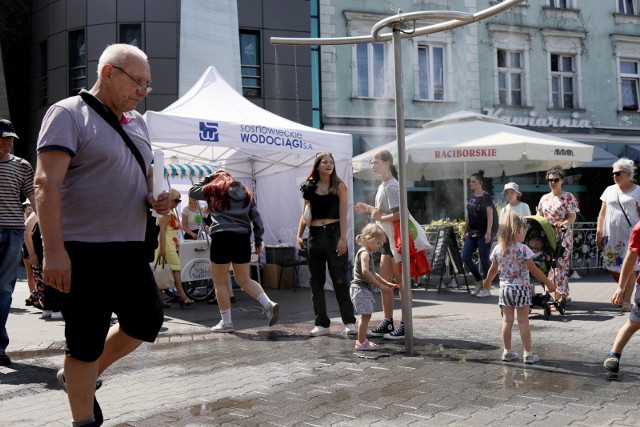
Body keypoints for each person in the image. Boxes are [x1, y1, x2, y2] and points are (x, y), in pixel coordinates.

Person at [35, 44, 170, 426]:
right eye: (137, 82)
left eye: (148, 85)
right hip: (82, 250)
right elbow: (45, 183)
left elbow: (145, 179)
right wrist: (55, 252)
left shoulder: (138, 123)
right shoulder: (67, 114)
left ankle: (82, 376)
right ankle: (83, 419)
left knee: (146, 321)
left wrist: (160, 197)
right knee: (85, 339)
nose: (143, 91)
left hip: (129, 248)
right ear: (108, 72)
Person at [189, 170, 279, 333]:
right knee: (245, 279)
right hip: (242, 238)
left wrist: (209, 178)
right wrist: (258, 239)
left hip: (221, 237)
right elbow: (256, 218)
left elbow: (192, 191)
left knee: (220, 282)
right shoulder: (245, 192)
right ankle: (268, 304)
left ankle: (227, 322)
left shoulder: (214, 189)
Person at [482, 211, 557, 364]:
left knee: (507, 320)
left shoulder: (498, 248)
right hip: (521, 289)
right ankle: (528, 354)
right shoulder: (523, 249)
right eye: (523, 232)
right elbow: (534, 270)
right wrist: (549, 283)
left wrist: (488, 282)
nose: (525, 235)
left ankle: (507, 352)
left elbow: (493, 269)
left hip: (505, 289)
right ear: (516, 231)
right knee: (523, 321)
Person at [297, 152, 356, 337]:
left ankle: (350, 321)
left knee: (340, 280)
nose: (329, 164)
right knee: (316, 281)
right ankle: (321, 323)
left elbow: (343, 213)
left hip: (334, 234)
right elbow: (305, 213)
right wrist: (299, 235)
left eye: (331, 162)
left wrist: (343, 238)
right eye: (325, 162)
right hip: (314, 235)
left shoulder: (339, 185)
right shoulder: (308, 187)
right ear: (318, 165)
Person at [354, 149, 408, 340]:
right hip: (388, 240)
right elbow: (382, 213)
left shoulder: (392, 186)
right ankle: (387, 321)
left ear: (387, 163)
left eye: (375, 162)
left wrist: (380, 216)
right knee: (386, 282)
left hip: (396, 241)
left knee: (401, 285)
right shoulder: (383, 185)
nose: (372, 166)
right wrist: (369, 209)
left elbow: (401, 213)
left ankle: (405, 325)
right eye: (371, 163)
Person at [0, 118, 36, 367]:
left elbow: (34, 195)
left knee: (4, 289)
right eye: (3, 138)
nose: (7, 143)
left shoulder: (22, 166)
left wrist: (46, 223)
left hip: (13, 231)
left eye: (10, 138)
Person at [596, 158, 640, 312]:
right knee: (612, 267)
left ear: (628, 174)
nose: (614, 175)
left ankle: (627, 300)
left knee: (628, 267)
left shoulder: (638, 191)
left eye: (618, 173)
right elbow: (602, 214)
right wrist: (599, 231)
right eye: (613, 173)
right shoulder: (609, 190)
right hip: (610, 236)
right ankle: (622, 290)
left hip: (629, 236)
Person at [350, 223, 396, 351]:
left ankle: (362, 341)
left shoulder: (366, 252)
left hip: (362, 289)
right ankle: (361, 342)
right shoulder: (364, 253)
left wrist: (387, 283)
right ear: (369, 238)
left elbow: (373, 273)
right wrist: (380, 285)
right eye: (378, 243)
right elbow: (365, 272)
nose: (379, 246)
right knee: (365, 316)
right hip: (360, 289)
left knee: (366, 315)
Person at [603, 220, 640, 374]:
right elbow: (630, 259)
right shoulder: (639, 229)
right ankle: (614, 353)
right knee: (634, 323)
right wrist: (620, 287)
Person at [537, 166, 578, 300]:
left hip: (563, 235)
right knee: (547, 265)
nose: (552, 183)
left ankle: (557, 297)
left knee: (560, 265)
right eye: (549, 180)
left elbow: (572, 217)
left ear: (562, 181)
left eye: (555, 180)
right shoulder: (544, 198)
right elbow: (539, 216)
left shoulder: (568, 197)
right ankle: (562, 294)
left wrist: (563, 224)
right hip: (547, 236)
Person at [155, 188, 193, 308]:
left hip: (169, 243)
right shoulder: (166, 213)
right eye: (176, 200)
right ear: (170, 200)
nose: (178, 203)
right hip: (166, 243)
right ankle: (182, 296)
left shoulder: (170, 212)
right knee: (175, 268)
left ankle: (160, 298)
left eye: (179, 201)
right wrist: (162, 248)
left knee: (163, 269)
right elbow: (162, 231)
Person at [23, 211, 63, 319]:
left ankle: (48, 309)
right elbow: (26, 230)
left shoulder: (42, 209)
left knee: (47, 279)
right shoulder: (40, 209)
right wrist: (32, 254)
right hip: (49, 250)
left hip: (45, 250)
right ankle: (56, 310)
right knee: (54, 278)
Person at [463, 170, 496, 298]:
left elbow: (490, 215)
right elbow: (468, 216)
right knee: (465, 256)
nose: (471, 184)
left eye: (473, 182)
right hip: (472, 232)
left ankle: (486, 287)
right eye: (470, 182)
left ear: (480, 183)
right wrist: (464, 231)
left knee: (484, 259)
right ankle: (479, 281)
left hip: (484, 232)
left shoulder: (486, 197)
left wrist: (488, 232)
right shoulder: (470, 197)